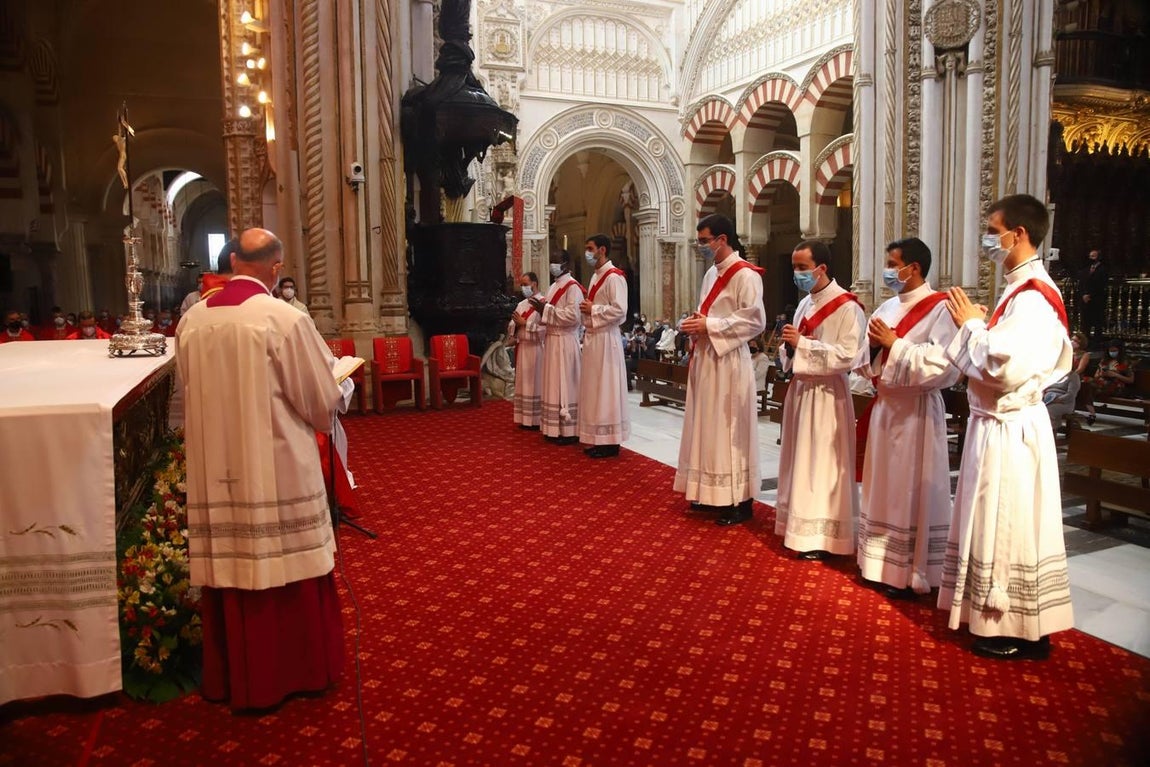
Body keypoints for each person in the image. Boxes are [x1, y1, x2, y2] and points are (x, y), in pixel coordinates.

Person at [175, 227, 346, 709]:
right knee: (285, 563)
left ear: (232, 261)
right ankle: (295, 672)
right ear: (275, 267)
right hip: (275, 469)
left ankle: (231, 677)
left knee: (231, 567)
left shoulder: (193, 321)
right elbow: (318, 399)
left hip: (215, 469)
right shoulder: (283, 318)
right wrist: (340, 388)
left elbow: (184, 397)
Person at [939, 193, 1074, 661]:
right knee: (1002, 519)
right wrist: (975, 326)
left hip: (1010, 429)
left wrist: (973, 326)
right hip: (996, 424)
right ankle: (1017, 623)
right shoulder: (1018, 290)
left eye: (992, 231)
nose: (987, 240)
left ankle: (1010, 626)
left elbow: (1004, 370)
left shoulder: (1034, 296)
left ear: (1018, 234)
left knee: (1009, 521)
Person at [856, 237, 959, 598]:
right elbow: (862, 359)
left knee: (907, 489)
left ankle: (908, 569)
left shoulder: (942, 310)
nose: (888, 270)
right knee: (881, 486)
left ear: (913, 268)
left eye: (892, 262)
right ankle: (878, 561)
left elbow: (943, 366)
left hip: (915, 412)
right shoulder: (885, 308)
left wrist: (894, 344)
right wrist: (872, 348)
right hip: (886, 408)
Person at [775, 240, 866, 559]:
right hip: (802, 390)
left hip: (828, 395)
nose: (797, 274)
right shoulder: (804, 304)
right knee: (802, 459)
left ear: (821, 268)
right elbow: (796, 345)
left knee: (822, 463)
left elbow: (849, 356)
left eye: (802, 268)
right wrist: (788, 348)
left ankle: (824, 536)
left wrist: (804, 345)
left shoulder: (847, 306)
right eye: (794, 268)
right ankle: (799, 527)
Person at [675, 213, 766, 526]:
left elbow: (755, 320)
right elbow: (708, 313)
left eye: (704, 241)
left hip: (728, 361)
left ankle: (740, 501)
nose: (700, 247)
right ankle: (713, 494)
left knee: (729, 429)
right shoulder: (711, 274)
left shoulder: (746, 275)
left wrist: (709, 325)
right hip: (707, 358)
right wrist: (696, 324)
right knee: (707, 427)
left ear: (722, 240)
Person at [578, 235, 630, 458]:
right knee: (594, 389)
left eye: (590, 248)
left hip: (607, 339)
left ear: (602, 249)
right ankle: (598, 437)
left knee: (606, 389)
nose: (587, 252)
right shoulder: (596, 276)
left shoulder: (614, 277)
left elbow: (620, 310)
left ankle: (610, 442)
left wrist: (593, 310)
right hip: (593, 337)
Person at [529, 250, 584, 445]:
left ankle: (568, 430)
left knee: (566, 383)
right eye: (551, 261)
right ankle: (553, 428)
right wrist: (540, 311)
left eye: (556, 261)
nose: (552, 264)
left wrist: (546, 310)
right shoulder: (553, 287)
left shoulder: (573, 288)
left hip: (565, 341)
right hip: (552, 341)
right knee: (553, 383)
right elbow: (548, 314)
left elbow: (573, 316)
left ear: (566, 264)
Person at [508, 272, 545, 429]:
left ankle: (536, 420)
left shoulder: (544, 303)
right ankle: (524, 419)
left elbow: (545, 330)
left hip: (536, 349)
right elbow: (512, 324)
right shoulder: (521, 304)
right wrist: (515, 325)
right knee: (524, 384)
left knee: (535, 383)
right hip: (523, 347)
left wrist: (525, 324)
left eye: (525, 284)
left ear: (534, 284)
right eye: (521, 284)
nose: (523, 288)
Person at [1077, 249, 1108, 349]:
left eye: (1093, 256)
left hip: (1096, 300)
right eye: (1090, 256)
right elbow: (1081, 284)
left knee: (1097, 323)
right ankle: (1085, 343)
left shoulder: (1103, 270)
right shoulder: (1085, 270)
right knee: (1085, 323)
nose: (1091, 258)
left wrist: (1090, 295)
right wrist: (1083, 294)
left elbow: (1101, 285)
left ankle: (1096, 344)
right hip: (1085, 301)